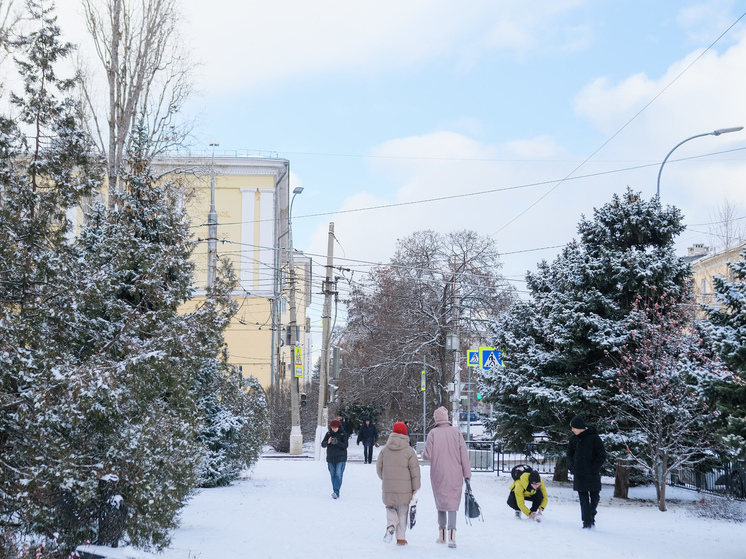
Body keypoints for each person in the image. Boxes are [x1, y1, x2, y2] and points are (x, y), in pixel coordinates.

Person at [421, 406, 471, 549]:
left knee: (441, 502)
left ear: (436, 418)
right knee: (452, 504)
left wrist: (423, 454)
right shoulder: (456, 433)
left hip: (438, 473)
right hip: (455, 473)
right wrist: (467, 474)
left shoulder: (433, 433)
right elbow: (464, 456)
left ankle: (442, 535)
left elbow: (428, 455)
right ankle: (452, 536)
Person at [376, 421, 421, 547]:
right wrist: (415, 487)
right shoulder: (409, 451)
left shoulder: (385, 450)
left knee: (390, 507)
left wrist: (385, 478)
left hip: (388, 486)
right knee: (403, 512)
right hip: (405, 488)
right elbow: (415, 470)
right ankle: (401, 539)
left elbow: (379, 468)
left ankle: (391, 524)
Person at [566, 415, 607, 529]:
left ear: (580, 427)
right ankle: (587, 522)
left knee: (595, 497)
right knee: (583, 499)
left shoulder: (594, 438)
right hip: (579, 474)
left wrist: (594, 468)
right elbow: (569, 455)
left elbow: (602, 455)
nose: (572, 430)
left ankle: (591, 515)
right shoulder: (573, 439)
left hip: (592, 473)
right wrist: (572, 467)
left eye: (574, 427)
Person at [321, 419, 348, 499]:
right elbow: (323, 444)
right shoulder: (328, 434)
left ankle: (336, 491)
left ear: (338, 427)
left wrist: (337, 443)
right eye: (332, 427)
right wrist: (328, 442)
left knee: (338, 474)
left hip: (341, 457)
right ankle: (335, 491)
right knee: (332, 475)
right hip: (331, 457)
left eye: (335, 427)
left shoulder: (343, 434)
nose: (334, 429)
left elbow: (345, 445)